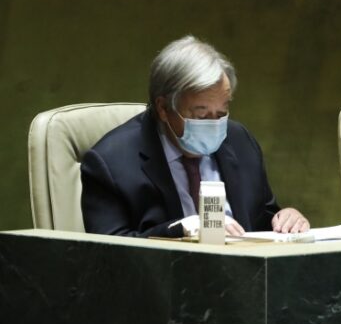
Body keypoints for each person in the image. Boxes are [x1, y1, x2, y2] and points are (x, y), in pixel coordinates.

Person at [81, 35, 309, 238]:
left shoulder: (240, 140)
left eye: (221, 113)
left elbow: (261, 219)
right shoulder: (110, 163)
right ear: (163, 108)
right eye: (200, 116)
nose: (214, 124)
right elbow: (109, 257)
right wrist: (182, 229)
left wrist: (285, 218)